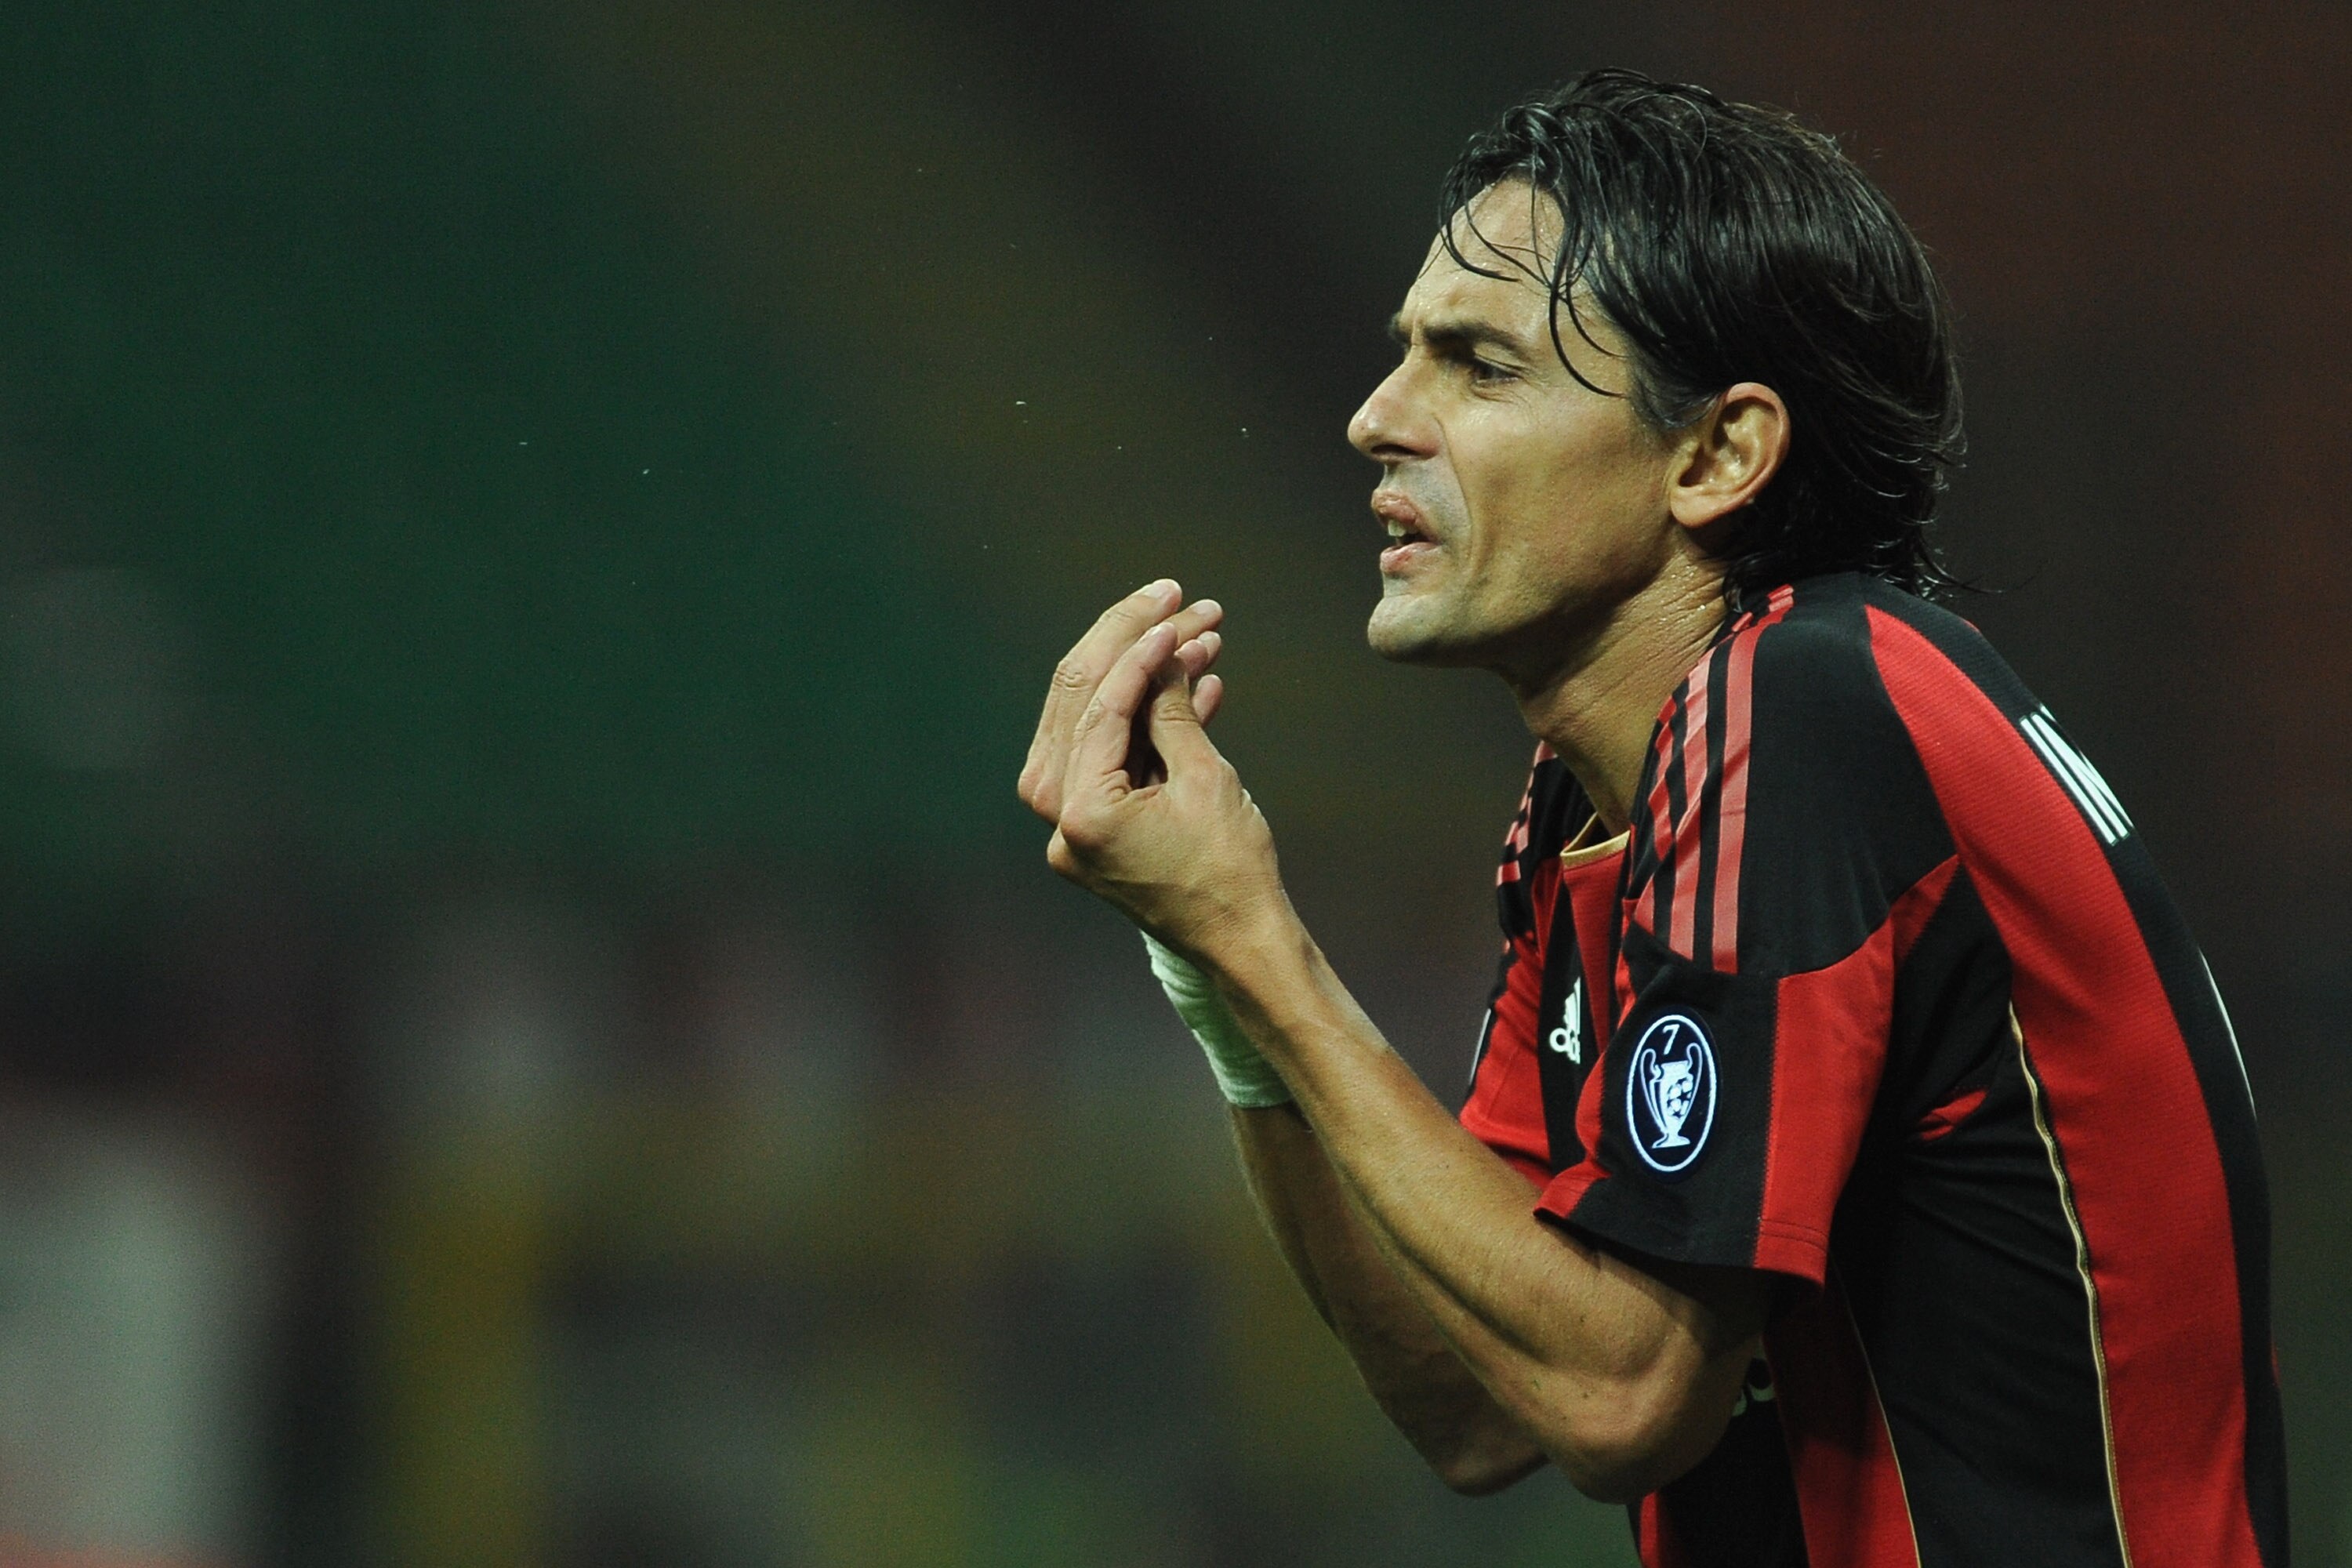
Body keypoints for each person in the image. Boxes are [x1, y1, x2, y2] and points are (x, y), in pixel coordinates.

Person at [1015, 70, 2285, 1567]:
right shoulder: (1620, 794)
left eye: (1478, 366)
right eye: (1405, 353)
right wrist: (1218, 979)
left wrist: (1255, 936)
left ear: (1715, 455)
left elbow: (1624, 1398)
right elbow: (1478, 1407)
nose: (1375, 418)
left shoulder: (1811, 709)